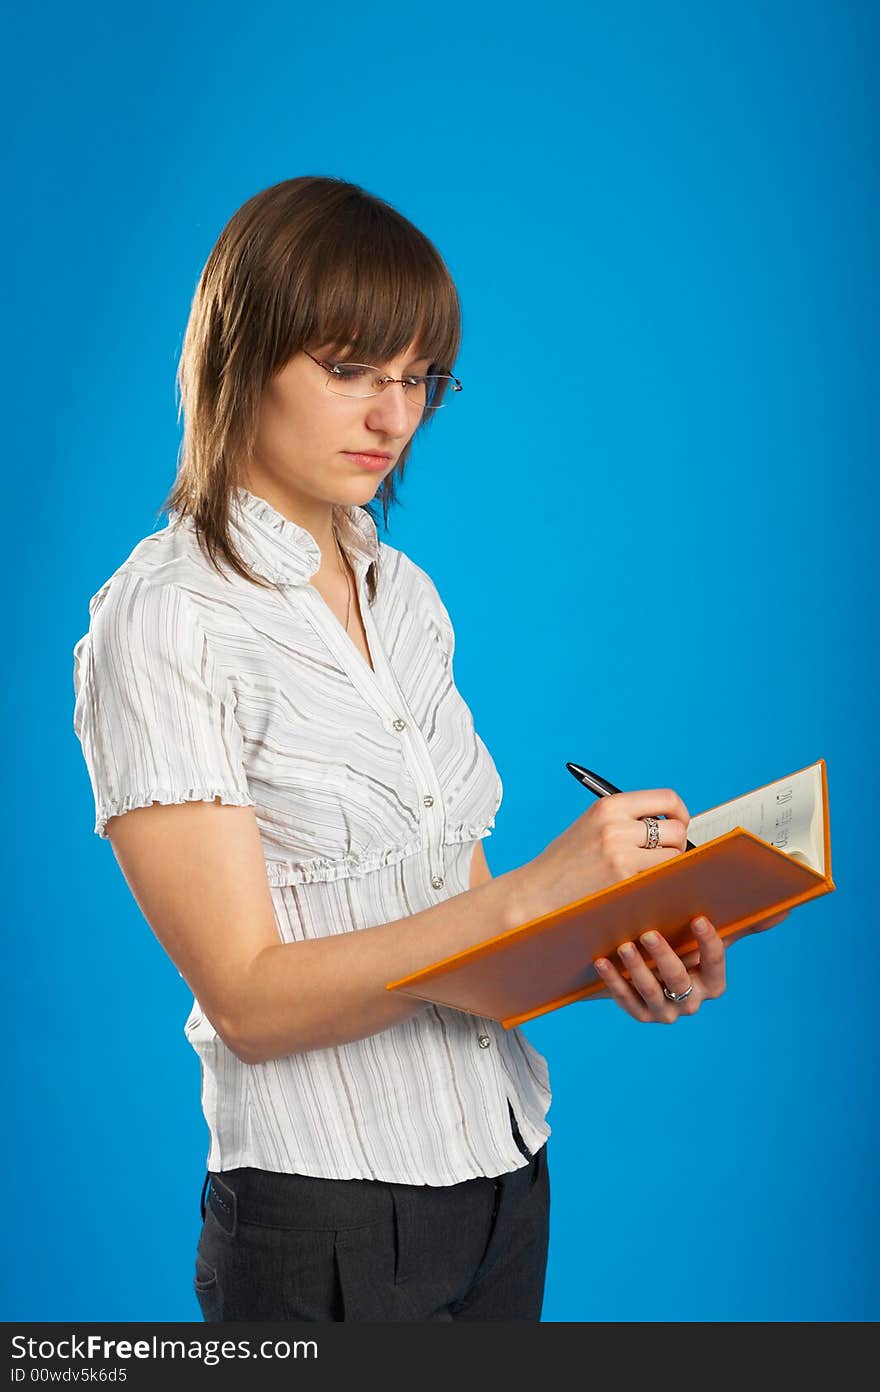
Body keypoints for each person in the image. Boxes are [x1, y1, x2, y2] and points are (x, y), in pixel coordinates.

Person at [71, 175, 787, 1323]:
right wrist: (532, 897)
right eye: (349, 368)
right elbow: (251, 1002)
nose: (391, 417)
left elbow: (452, 930)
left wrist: (613, 946)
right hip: (325, 1221)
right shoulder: (163, 618)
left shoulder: (405, 596)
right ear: (242, 355)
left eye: (418, 380)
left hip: (505, 1178)